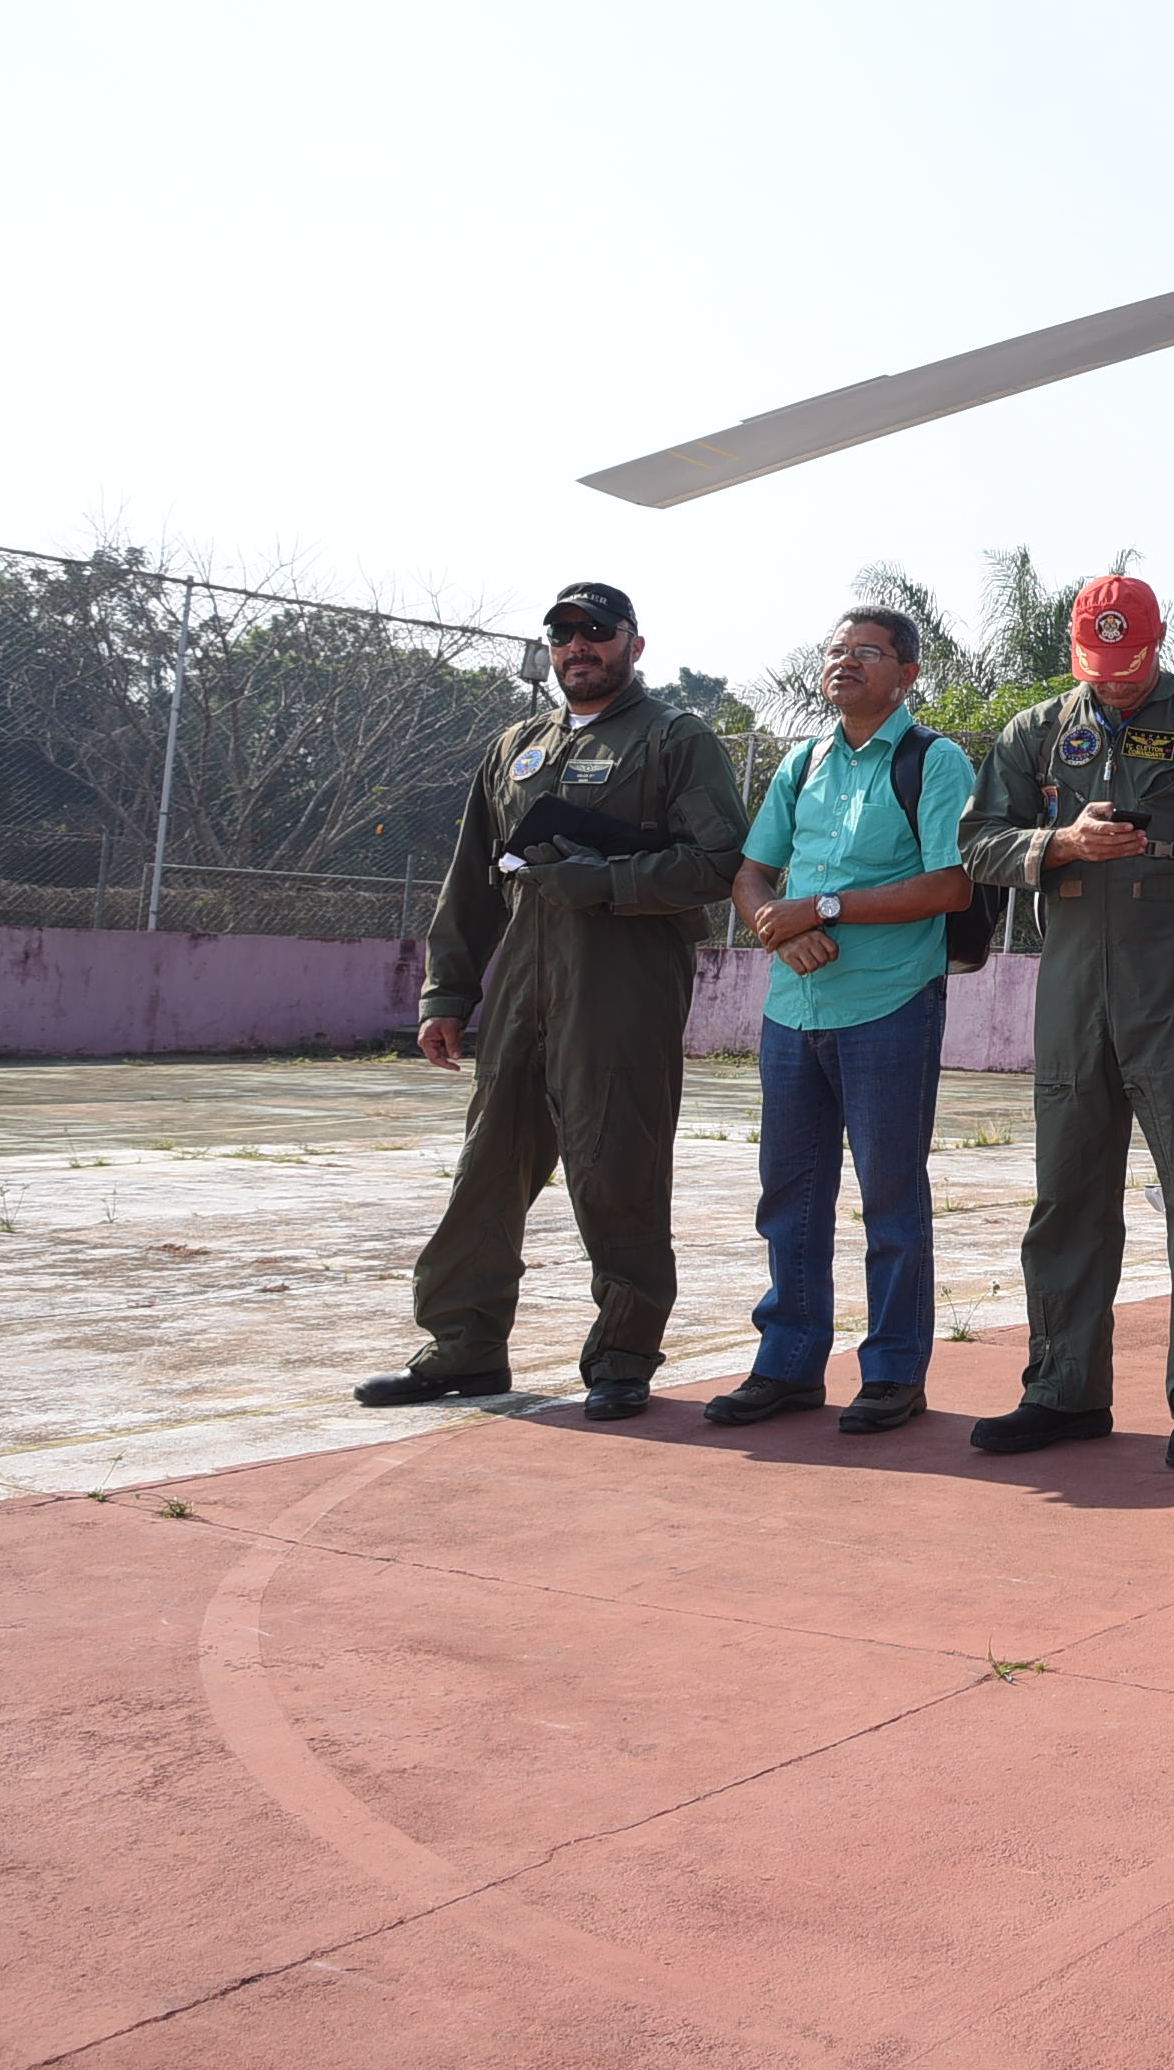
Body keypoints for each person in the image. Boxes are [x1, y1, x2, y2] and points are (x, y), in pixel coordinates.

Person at [359, 581, 747, 1421]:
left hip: (622, 992)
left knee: (617, 1171)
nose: (579, 647)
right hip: (521, 996)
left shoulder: (674, 740)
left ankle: (623, 1355)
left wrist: (602, 882)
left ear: (633, 646)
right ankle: (464, 1346)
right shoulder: (514, 748)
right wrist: (448, 992)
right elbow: (471, 882)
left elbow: (719, 865)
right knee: (486, 1172)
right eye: (564, 634)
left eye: (597, 633)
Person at [959, 573, 1174, 1466]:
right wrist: (1058, 844)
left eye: (1129, 662)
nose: (1113, 680)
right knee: (1066, 1197)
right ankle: (1062, 1390)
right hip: (1072, 990)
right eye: (1097, 665)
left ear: (1158, 643)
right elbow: (977, 841)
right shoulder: (1038, 732)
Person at [714, 604, 980, 1434]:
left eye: (869, 652)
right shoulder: (804, 760)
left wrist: (820, 907)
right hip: (794, 1009)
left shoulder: (933, 762)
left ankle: (894, 1372)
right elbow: (752, 873)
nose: (846, 662)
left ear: (907, 675)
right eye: (837, 650)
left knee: (891, 1194)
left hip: (891, 1006)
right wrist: (777, 930)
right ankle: (789, 1364)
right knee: (789, 1194)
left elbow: (951, 886)